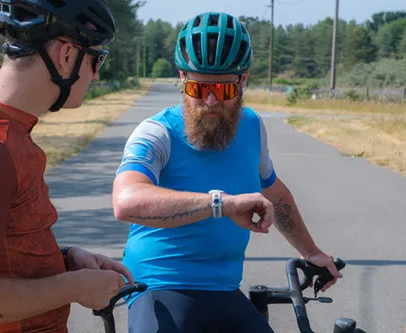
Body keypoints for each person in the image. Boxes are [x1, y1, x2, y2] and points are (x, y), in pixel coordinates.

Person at [112, 11, 343, 332]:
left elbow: (274, 193)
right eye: (197, 88)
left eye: (222, 90)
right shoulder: (156, 133)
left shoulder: (251, 126)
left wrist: (312, 252)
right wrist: (222, 204)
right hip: (160, 285)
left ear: (243, 81)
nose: (208, 101)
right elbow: (126, 201)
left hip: (224, 289)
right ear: (182, 78)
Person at [0, 1, 133, 332]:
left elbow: (0, 251)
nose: (97, 73)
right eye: (97, 59)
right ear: (66, 55)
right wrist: (77, 287)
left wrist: (65, 261)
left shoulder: (3, 133)